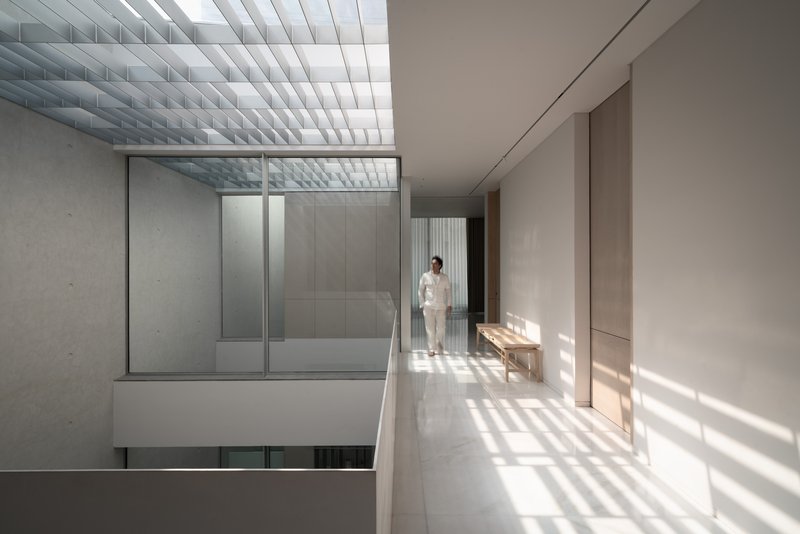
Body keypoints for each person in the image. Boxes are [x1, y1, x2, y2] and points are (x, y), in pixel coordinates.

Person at [418, 255, 452, 357]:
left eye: (435, 264)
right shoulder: (425, 276)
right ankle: (431, 349)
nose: (433, 265)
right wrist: (423, 304)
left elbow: (448, 292)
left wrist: (449, 304)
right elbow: (420, 290)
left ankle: (438, 342)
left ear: (440, 265)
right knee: (430, 328)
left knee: (441, 328)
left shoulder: (445, 277)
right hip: (429, 306)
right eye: (432, 263)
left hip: (441, 306)